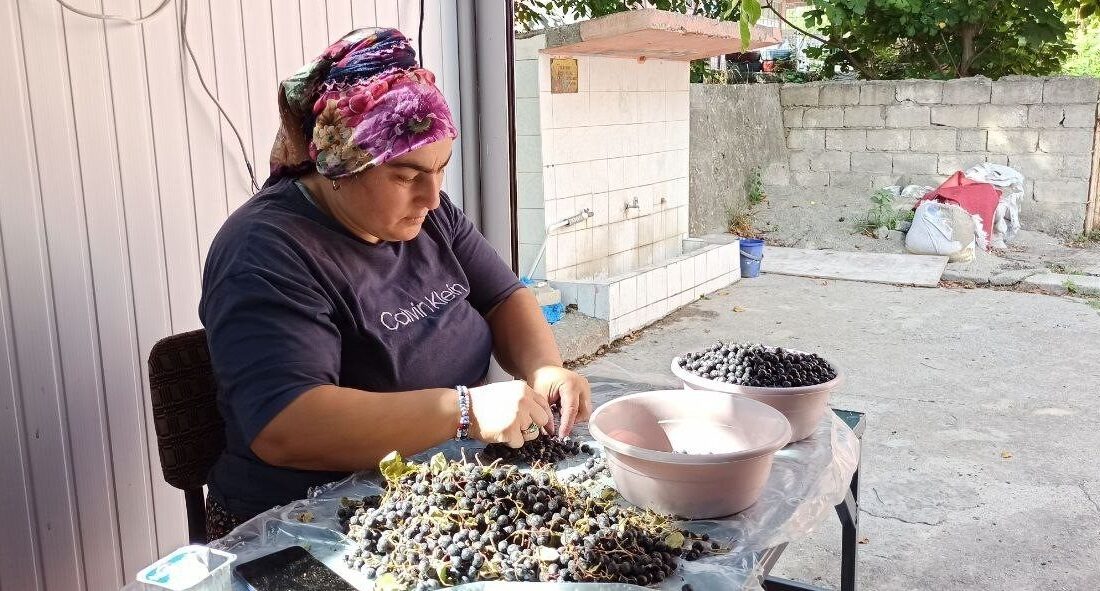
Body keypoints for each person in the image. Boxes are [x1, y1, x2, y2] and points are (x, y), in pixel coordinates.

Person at [198, 28, 592, 540]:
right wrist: (464, 411)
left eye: (440, 169)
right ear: (339, 167)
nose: (431, 197)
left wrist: (545, 370)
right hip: (303, 523)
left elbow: (502, 296)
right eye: (407, 176)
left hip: (429, 486)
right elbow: (287, 425)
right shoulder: (265, 250)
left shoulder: (430, 217)